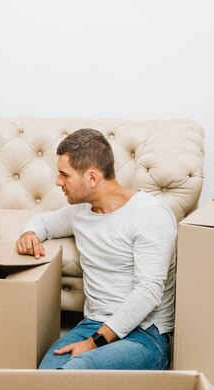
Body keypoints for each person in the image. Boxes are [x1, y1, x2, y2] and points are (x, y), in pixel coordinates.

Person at [16, 128, 176, 370]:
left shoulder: (150, 214)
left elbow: (148, 291)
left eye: (64, 175)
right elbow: (43, 223)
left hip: (145, 334)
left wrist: (94, 343)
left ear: (92, 177)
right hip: (93, 324)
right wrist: (29, 234)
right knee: (46, 377)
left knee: (73, 373)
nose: (58, 182)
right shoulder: (79, 212)